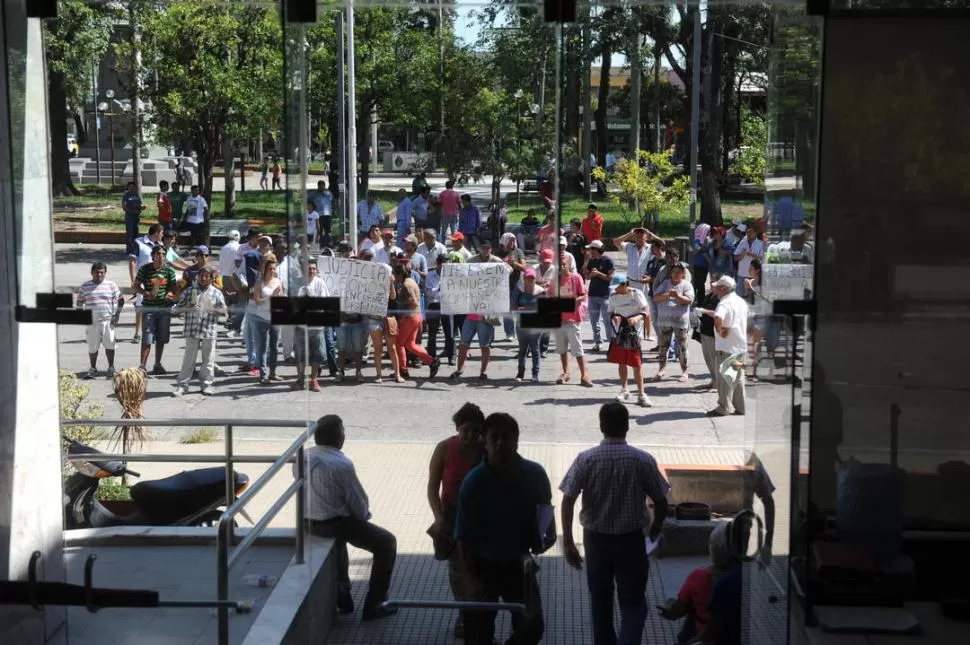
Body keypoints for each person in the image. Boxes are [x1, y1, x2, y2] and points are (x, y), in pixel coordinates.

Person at [560, 402, 670, 645]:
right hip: (631, 541)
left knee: (600, 599)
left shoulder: (586, 460)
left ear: (601, 426)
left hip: (596, 540)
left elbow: (568, 499)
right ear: (627, 426)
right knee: (633, 601)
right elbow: (661, 502)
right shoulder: (642, 460)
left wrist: (568, 541)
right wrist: (655, 527)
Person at [455, 413, 556, 645]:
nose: (500, 442)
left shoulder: (535, 475)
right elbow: (462, 537)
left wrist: (549, 533)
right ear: (485, 442)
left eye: (506, 437)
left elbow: (546, 511)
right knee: (477, 632)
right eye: (495, 437)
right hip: (481, 566)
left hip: (519, 564)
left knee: (531, 626)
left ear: (516, 441)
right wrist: (471, 580)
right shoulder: (473, 483)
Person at [300, 415, 398, 622]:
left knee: (341, 536)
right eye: (343, 431)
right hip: (335, 523)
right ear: (338, 438)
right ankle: (375, 605)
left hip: (307, 521)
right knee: (386, 542)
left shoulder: (302, 457)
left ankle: (343, 591)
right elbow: (359, 504)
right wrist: (362, 517)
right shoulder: (341, 464)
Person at [426, 403, 487, 639]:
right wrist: (438, 518)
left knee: (478, 568)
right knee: (458, 570)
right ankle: (465, 614)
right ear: (457, 428)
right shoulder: (444, 448)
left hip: (482, 518)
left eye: (476, 431)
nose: (471, 436)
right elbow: (433, 487)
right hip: (452, 517)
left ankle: (476, 614)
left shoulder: (486, 448)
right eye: (466, 431)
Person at [659, 522, 733, 644]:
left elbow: (681, 608)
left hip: (707, 634)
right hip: (734, 633)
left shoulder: (700, 577)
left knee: (691, 615)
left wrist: (670, 612)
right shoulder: (747, 578)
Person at [450, 241, 507, 382]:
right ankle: (459, 368)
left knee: (484, 345)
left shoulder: (496, 261)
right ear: (480, 249)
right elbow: (461, 270)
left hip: (486, 313)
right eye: (483, 248)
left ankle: (484, 371)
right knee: (463, 343)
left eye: (488, 248)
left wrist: (496, 278)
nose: (485, 250)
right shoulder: (472, 260)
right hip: (471, 312)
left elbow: (508, 270)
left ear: (491, 249)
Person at [172, 266, 227, 396]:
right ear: (197, 277)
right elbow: (176, 309)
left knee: (208, 359)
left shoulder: (216, 293)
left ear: (211, 278)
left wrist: (213, 310)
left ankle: (206, 384)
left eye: (207, 276)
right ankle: (182, 385)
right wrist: (188, 306)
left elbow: (224, 311)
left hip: (209, 330)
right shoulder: (190, 290)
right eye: (201, 276)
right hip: (192, 329)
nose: (204, 278)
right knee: (189, 359)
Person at [134, 245, 181, 375]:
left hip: (164, 308)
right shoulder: (145, 269)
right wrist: (145, 293)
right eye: (158, 254)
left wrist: (171, 294)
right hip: (149, 307)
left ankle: (157, 364)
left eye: (163, 254)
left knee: (161, 337)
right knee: (147, 337)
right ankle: (142, 366)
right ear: (153, 255)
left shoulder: (169, 271)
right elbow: (135, 286)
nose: (161, 256)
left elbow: (173, 287)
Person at [706, 276, 749, 417]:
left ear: (723, 289)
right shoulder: (741, 301)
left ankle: (723, 407)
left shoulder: (724, 303)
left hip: (727, 347)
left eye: (718, 287)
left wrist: (720, 331)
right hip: (740, 345)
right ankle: (741, 407)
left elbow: (718, 318)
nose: (715, 289)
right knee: (738, 378)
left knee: (725, 378)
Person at [608, 279, 652, 407]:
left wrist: (637, 317)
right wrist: (615, 317)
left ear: (625, 285)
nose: (615, 289)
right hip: (620, 333)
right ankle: (624, 389)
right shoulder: (613, 295)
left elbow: (646, 309)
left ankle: (641, 394)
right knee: (621, 362)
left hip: (634, 333)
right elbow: (610, 311)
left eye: (617, 287)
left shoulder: (636, 293)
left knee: (636, 364)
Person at [392, 263, 441, 379]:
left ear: (399, 274)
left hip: (410, 318)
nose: (393, 275)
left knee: (399, 344)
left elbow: (413, 303)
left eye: (394, 273)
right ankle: (432, 361)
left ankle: (402, 370)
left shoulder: (406, 285)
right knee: (410, 344)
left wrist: (402, 320)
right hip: (417, 316)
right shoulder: (411, 281)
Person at [77, 262, 124, 379]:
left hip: (108, 320)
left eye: (101, 272)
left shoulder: (111, 285)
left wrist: (117, 315)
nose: (99, 274)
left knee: (110, 345)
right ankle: (93, 368)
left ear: (105, 273)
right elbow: (79, 302)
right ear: (92, 273)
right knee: (92, 347)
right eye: (97, 272)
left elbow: (121, 300)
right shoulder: (85, 286)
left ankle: (111, 368)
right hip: (91, 321)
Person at [553, 253, 593, 387]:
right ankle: (566, 372)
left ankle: (584, 375)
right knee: (562, 349)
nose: (562, 267)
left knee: (577, 349)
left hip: (572, 318)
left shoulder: (576, 278)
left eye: (564, 264)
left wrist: (571, 302)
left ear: (569, 265)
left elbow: (583, 295)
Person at [294, 258, 331, 392]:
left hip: (317, 326)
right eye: (308, 269)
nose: (311, 271)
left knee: (317, 354)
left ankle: (314, 380)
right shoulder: (298, 284)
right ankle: (300, 379)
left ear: (317, 270)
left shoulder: (320, 283)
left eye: (313, 269)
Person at [654, 262, 695, 382]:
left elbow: (689, 300)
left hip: (680, 322)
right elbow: (656, 298)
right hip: (664, 321)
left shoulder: (687, 285)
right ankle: (662, 370)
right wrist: (667, 295)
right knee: (663, 346)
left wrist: (677, 296)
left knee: (682, 347)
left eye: (678, 272)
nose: (676, 274)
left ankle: (685, 371)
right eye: (674, 272)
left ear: (683, 274)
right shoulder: (665, 284)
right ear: (670, 274)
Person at [250, 252, 283, 385]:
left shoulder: (279, 281)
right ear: (265, 270)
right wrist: (270, 297)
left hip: (275, 318)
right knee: (262, 347)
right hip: (261, 318)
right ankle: (263, 374)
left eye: (274, 269)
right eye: (270, 269)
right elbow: (256, 300)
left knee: (274, 347)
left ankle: (273, 372)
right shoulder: (259, 282)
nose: (272, 271)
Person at [128, 224, 164, 344]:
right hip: (142, 280)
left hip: (157, 280)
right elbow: (132, 261)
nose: (162, 235)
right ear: (157, 233)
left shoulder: (160, 246)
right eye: (162, 233)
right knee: (140, 306)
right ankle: (137, 333)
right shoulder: (138, 242)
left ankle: (152, 332)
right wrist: (133, 280)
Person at [513, 269, 545, 382]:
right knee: (522, 350)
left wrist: (525, 308)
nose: (530, 280)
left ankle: (535, 374)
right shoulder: (519, 289)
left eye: (532, 278)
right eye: (528, 278)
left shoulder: (540, 291)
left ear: (535, 279)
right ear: (524, 278)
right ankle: (520, 374)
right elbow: (513, 306)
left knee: (535, 349)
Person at [584, 240, 614, 352]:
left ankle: (612, 343)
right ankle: (598, 343)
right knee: (594, 321)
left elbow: (610, 278)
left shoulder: (608, 261)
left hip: (604, 295)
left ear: (597, 250)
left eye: (591, 249)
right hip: (592, 295)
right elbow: (586, 276)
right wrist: (590, 275)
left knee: (607, 321)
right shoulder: (591, 261)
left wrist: (599, 274)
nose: (589, 251)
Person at [425, 254, 454, 366]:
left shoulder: (452, 275)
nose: (445, 268)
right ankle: (431, 357)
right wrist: (439, 290)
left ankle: (451, 356)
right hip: (434, 305)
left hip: (448, 305)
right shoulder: (430, 275)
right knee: (432, 333)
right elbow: (428, 293)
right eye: (443, 266)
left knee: (449, 333)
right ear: (438, 264)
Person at [496, 232, 525, 344]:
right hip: (503, 285)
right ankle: (510, 333)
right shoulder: (498, 253)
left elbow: (524, 267)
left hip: (517, 284)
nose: (512, 242)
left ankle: (520, 332)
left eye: (513, 240)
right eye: (510, 240)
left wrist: (514, 264)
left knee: (518, 310)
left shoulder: (518, 252)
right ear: (504, 241)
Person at [733, 224, 766, 296]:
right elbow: (735, 258)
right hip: (742, 275)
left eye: (750, 232)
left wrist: (753, 255)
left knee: (752, 300)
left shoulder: (760, 244)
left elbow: (763, 260)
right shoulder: (742, 243)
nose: (748, 234)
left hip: (754, 277)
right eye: (747, 232)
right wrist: (742, 255)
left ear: (755, 232)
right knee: (739, 297)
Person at [122, 181, 145, 256]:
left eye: (133, 187)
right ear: (128, 188)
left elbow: (139, 205)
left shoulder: (136, 195)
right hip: (129, 218)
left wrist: (141, 208)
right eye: (130, 187)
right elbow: (124, 207)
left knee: (135, 233)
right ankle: (129, 250)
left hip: (136, 217)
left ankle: (135, 249)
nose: (132, 188)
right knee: (129, 234)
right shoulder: (126, 196)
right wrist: (132, 211)